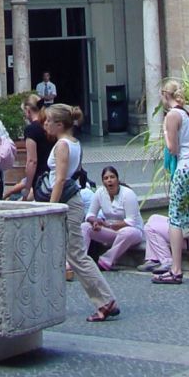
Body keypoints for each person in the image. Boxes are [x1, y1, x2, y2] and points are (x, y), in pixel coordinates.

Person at [44, 103, 120, 322]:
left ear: (60, 124)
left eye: (49, 121)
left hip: (66, 201)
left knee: (76, 255)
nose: (45, 124)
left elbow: (60, 179)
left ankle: (105, 300)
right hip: (72, 200)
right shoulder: (75, 143)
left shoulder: (62, 145)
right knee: (72, 253)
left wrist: (51, 206)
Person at [152, 80, 189, 285]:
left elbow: (173, 148)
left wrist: (166, 133)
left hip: (185, 168)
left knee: (175, 218)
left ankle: (176, 269)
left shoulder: (172, 116)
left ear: (165, 95)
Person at [82, 166, 144, 270]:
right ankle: (80, 261)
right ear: (103, 182)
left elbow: (131, 222)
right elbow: (90, 214)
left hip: (133, 232)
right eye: (106, 178)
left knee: (127, 232)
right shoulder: (100, 193)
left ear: (117, 179)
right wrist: (95, 221)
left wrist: (108, 225)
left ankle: (106, 261)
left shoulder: (128, 194)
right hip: (112, 231)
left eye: (112, 177)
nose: (109, 180)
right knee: (85, 226)